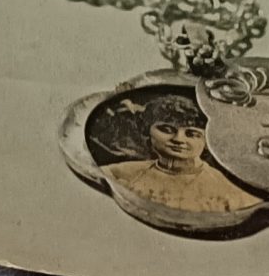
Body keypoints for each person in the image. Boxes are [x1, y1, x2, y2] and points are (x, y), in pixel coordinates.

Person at [102, 92, 256, 218]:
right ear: (147, 130)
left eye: (192, 134)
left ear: (208, 140)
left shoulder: (227, 190)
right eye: (166, 130)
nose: (178, 139)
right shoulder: (121, 173)